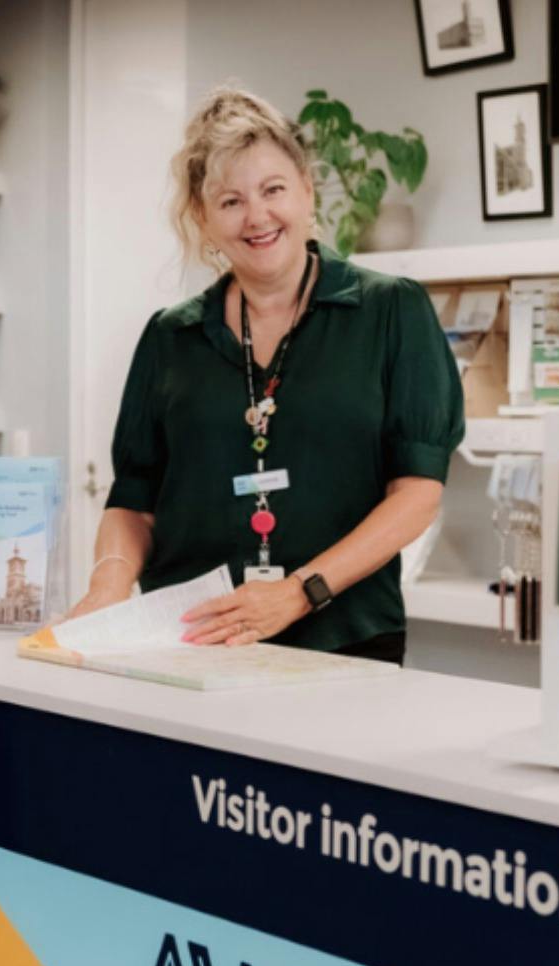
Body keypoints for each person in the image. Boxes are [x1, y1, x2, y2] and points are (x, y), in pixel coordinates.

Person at [68, 87, 464, 665]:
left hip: (345, 642)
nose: (256, 217)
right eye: (230, 201)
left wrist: (300, 593)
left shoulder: (390, 311)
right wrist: (106, 591)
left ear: (306, 190)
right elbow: (134, 498)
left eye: (273, 190)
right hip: (188, 641)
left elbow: (418, 493)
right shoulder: (170, 337)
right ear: (202, 218)